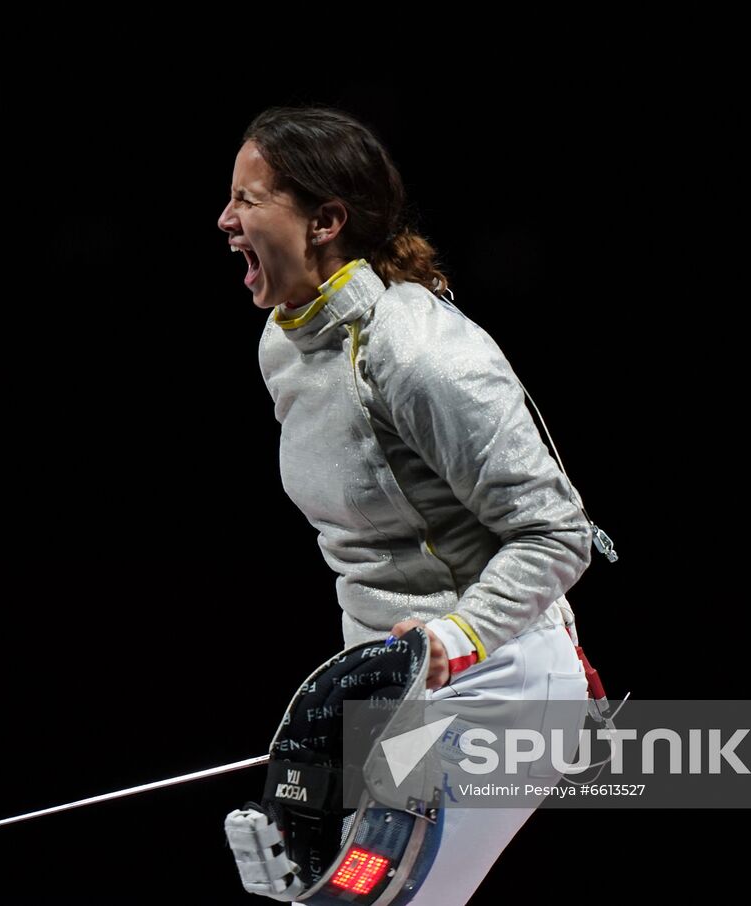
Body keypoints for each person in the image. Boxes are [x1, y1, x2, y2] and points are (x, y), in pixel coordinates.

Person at [218, 105, 595, 905]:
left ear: (325, 221)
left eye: (248, 199)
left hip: (498, 682)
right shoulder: (285, 343)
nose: (226, 219)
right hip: (396, 701)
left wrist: (454, 637)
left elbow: (556, 532)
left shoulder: (419, 350)